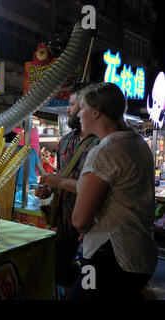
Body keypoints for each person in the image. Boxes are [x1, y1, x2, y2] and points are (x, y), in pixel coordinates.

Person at [67, 82, 157, 300]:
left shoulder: (105, 151)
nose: (79, 114)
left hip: (109, 258)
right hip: (141, 255)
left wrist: (86, 227)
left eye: (83, 108)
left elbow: (80, 220)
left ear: (96, 112)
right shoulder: (138, 143)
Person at [36, 82, 99, 298]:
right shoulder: (65, 141)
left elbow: (95, 189)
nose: (68, 109)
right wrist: (48, 189)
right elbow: (60, 177)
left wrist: (57, 182)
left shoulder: (101, 144)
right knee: (64, 279)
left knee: (89, 286)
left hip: (91, 230)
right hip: (65, 225)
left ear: (87, 107)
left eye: (72, 104)